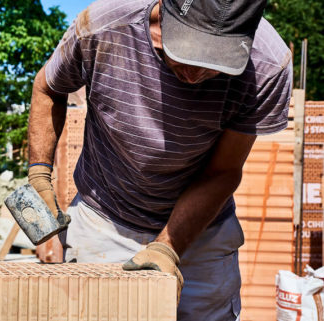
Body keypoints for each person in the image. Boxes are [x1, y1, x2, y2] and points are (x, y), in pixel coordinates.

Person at [27, 0, 292, 319]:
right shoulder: (103, 27)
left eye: (214, 63)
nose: (195, 76)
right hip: (105, 221)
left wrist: (168, 245)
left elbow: (222, 171)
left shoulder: (268, 64)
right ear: (162, 18)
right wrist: (39, 179)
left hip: (202, 233)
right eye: (187, 54)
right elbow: (47, 88)